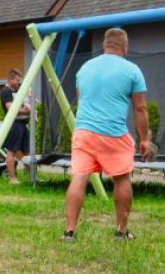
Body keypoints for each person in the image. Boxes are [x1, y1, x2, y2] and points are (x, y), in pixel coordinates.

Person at [64, 28, 153, 241]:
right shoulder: (132, 70)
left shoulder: (84, 68)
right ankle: (121, 231)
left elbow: (81, 99)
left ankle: (70, 231)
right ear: (125, 46)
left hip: (83, 132)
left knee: (79, 177)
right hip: (113, 134)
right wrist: (144, 140)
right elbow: (140, 108)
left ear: (104, 45)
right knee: (122, 178)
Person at [0, 68, 34, 184]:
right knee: (11, 152)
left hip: (23, 125)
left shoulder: (15, 91)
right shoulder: (6, 92)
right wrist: (26, 111)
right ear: (11, 79)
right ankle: (12, 179)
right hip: (15, 125)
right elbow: (11, 109)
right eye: (17, 80)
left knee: (26, 151)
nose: (19, 82)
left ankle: (31, 177)